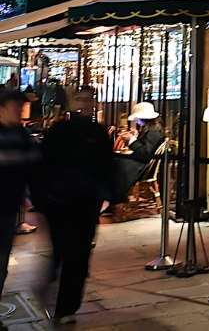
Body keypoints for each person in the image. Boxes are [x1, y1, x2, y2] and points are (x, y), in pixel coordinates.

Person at [33, 90, 114, 324]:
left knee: (77, 254)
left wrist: (105, 195)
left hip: (85, 202)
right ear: (72, 104)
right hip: (61, 202)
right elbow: (44, 165)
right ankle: (56, 297)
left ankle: (66, 306)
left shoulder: (97, 133)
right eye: (80, 100)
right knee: (63, 251)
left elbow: (106, 167)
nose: (84, 105)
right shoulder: (61, 131)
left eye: (88, 101)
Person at [0, 89, 38, 304]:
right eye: (16, 107)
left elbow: (34, 169)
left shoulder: (22, 136)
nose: (20, 111)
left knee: (1, 263)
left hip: (7, 209)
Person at [112, 102, 166, 203]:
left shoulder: (154, 131)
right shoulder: (150, 129)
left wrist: (132, 140)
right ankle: (114, 196)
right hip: (140, 162)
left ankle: (115, 197)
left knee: (115, 163)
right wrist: (135, 137)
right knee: (113, 159)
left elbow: (145, 153)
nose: (137, 121)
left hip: (142, 165)